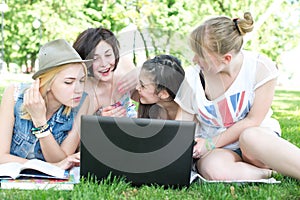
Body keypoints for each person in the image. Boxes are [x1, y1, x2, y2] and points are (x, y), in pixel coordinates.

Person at [175, 12, 300, 180]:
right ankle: (270, 172)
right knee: (213, 169)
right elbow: (181, 126)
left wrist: (210, 143)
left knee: (249, 137)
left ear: (226, 59)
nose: (194, 59)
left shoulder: (261, 68)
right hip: (217, 150)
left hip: (256, 142)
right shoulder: (191, 78)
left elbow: (252, 121)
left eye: (201, 55)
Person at [0, 39, 91, 169]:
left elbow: (62, 160)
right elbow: (1, 157)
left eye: (82, 81)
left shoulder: (82, 102)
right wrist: (45, 166)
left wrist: (41, 122)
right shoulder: (14, 94)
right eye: (68, 82)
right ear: (47, 83)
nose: (78, 89)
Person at [73, 27, 138, 118]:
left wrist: (142, 74)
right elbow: (78, 128)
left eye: (108, 55)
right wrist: (100, 120)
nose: (104, 64)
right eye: (95, 59)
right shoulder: (82, 90)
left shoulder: (125, 66)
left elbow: (146, 97)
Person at [136, 54, 185, 120]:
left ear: (164, 94)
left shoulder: (188, 113)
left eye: (143, 86)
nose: (137, 88)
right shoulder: (150, 109)